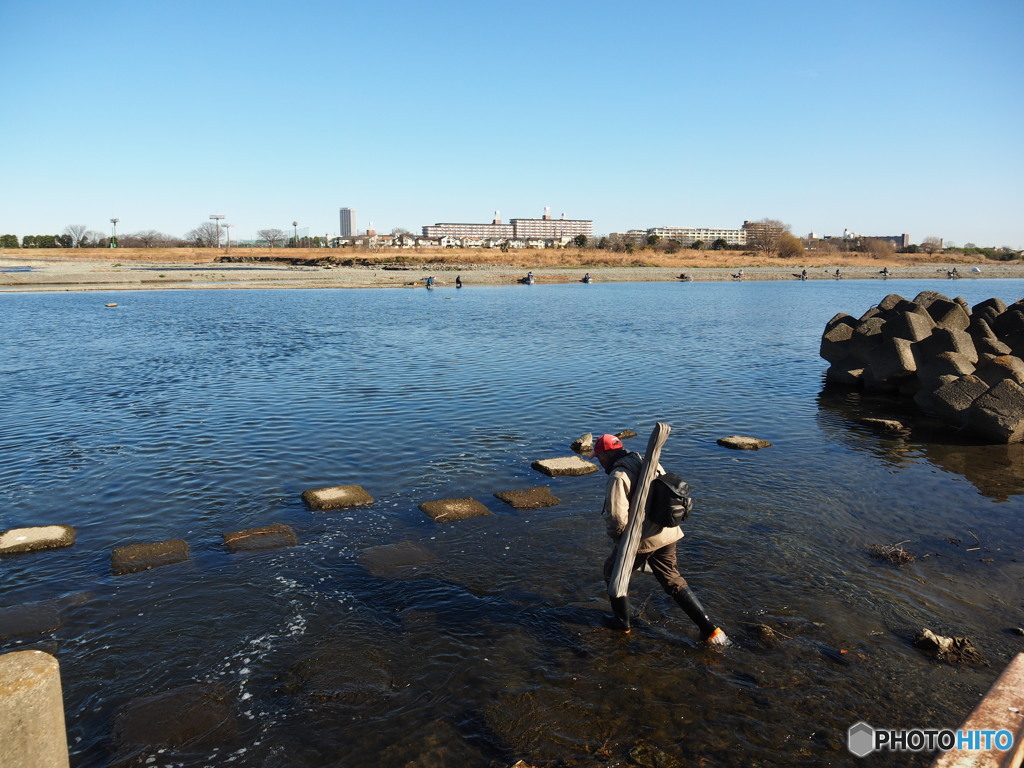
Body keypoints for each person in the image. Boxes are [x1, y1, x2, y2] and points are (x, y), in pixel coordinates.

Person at [592, 433, 730, 646]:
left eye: (598, 457)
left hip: (642, 539)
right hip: (667, 533)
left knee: (612, 572)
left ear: (605, 454)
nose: (599, 462)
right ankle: (711, 630)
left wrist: (619, 539)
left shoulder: (618, 475)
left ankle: (622, 623)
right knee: (672, 579)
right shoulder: (647, 461)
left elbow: (616, 517)